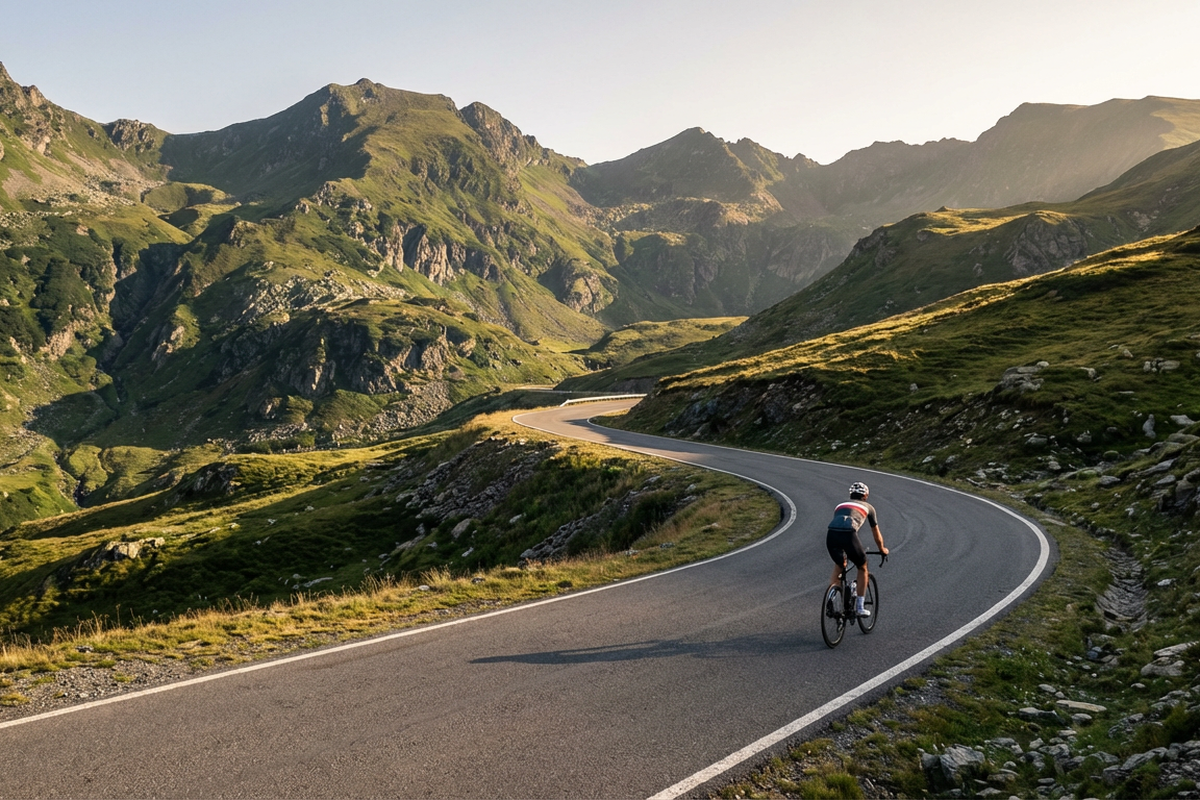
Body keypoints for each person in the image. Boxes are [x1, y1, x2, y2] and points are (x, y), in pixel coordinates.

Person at [826, 481, 888, 616]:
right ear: (865, 496)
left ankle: (832, 598)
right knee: (862, 566)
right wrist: (882, 548)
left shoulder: (840, 505)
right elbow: (876, 533)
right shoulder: (869, 508)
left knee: (840, 564)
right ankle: (860, 607)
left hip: (831, 534)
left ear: (851, 494)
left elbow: (839, 524)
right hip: (849, 534)